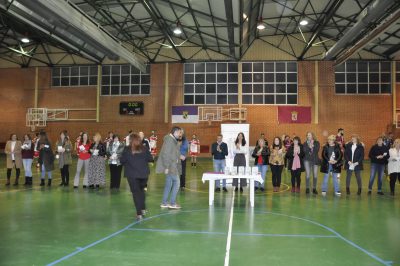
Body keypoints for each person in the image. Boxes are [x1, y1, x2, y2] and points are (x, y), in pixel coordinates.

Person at [121, 133, 154, 220]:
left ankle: (139, 213)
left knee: (136, 193)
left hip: (132, 175)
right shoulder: (144, 148)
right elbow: (151, 159)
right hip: (144, 175)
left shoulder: (127, 149)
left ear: (130, 140)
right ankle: (143, 209)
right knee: (141, 191)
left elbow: (122, 161)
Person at [156, 126, 183, 209]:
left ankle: (164, 202)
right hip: (171, 166)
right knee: (177, 183)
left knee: (168, 184)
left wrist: (179, 156)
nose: (180, 134)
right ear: (175, 132)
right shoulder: (169, 140)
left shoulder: (172, 140)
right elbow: (166, 154)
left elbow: (172, 152)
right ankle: (172, 203)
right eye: (179, 132)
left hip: (172, 165)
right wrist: (167, 166)